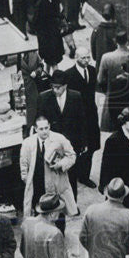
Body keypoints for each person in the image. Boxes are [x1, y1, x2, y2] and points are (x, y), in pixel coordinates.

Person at [19, 116, 78, 229]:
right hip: (37, 184)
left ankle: (60, 236)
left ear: (49, 126)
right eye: (41, 129)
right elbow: (23, 163)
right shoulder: (28, 143)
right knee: (39, 211)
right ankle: (41, 236)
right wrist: (26, 179)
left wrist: (60, 164)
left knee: (58, 211)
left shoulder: (59, 139)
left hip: (56, 184)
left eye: (46, 128)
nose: (44, 131)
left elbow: (72, 155)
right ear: (35, 129)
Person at [37, 72, 87, 200]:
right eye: (52, 87)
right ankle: (54, 203)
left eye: (58, 87)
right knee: (52, 175)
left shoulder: (75, 96)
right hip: (52, 144)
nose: (54, 90)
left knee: (71, 175)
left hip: (71, 143)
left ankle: (72, 204)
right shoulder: (44, 97)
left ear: (65, 86)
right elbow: (39, 120)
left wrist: (83, 142)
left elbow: (81, 120)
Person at [98, 108, 129, 211]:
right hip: (120, 181)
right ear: (124, 122)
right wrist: (104, 185)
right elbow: (106, 165)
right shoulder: (113, 140)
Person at [30, 0, 66, 69]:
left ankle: (49, 75)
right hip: (46, 36)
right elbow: (35, 21)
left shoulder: (56, 1)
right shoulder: (40, 4)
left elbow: (60, 14)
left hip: (55, 34)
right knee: (51, 60)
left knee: (52, 59)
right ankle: (56, 78)